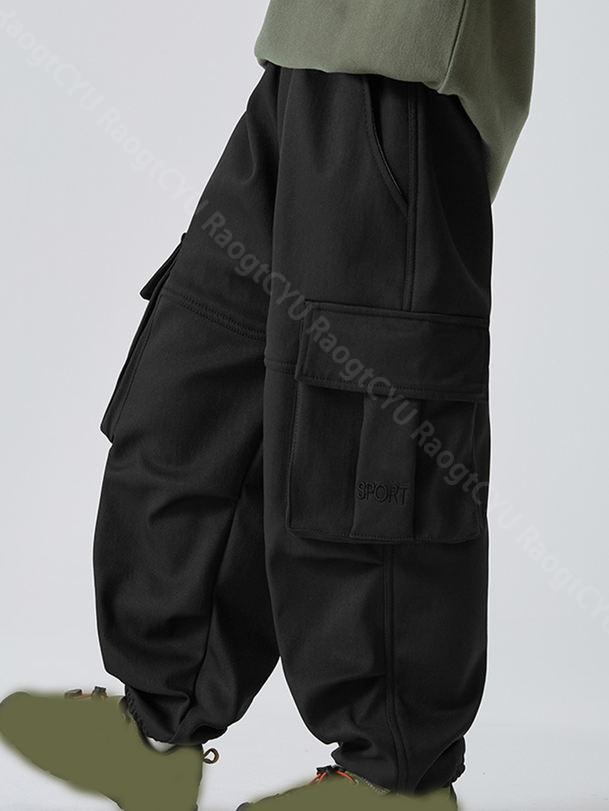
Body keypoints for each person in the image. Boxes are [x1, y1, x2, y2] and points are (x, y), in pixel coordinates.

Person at [0, 2, 535, 809]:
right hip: (302, 53)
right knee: (195, 396)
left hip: (408, 66)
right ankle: (158, 734)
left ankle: (396, 784)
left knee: (361, 449)